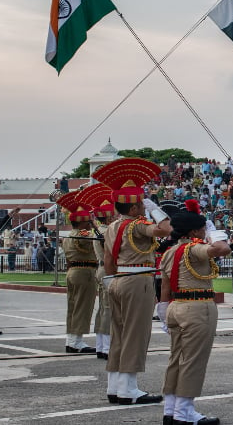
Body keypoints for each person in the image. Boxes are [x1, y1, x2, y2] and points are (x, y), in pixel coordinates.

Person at [95, 158, 170, 405]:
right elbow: (165, 230)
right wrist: (155, 208)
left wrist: (110, 279)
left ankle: (115, 386)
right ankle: (129, 389)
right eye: (140, 204)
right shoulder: (138, 225)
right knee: (135, 335)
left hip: (117, 279)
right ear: (136, 207)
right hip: (137, 280)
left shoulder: (113, 226)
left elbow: (108, 258)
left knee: (118, 334)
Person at [157, 206, 230, 425]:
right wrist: (214, 233)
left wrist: (162, 309)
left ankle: (170, 409)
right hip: (196, 307)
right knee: (193, 361)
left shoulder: (170, 251)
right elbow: (221, 249)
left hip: (175, 306)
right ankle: (184, 412)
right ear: (194, 232)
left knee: (176, 360)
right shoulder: (194, 248)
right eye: (200, 229)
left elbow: (165, 286)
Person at [75, 183, 117, 359]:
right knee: (109, 309)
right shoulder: (106, 231)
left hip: (101, 269)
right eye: (113, 215)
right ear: (108, 218)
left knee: (103, 309)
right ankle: (106, 347)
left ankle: (101, 345)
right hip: (107, 270)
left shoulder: (101, 230)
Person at [57, 192, 98, 353]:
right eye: (88, 221)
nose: (90, 224)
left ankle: (72, 340)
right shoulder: (84, 235)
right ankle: (77, 341)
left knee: (73, 307)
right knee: (83, 307)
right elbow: (100, 238)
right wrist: (95, 227)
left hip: (73, 271)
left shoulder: (69, 236)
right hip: (84, 272)